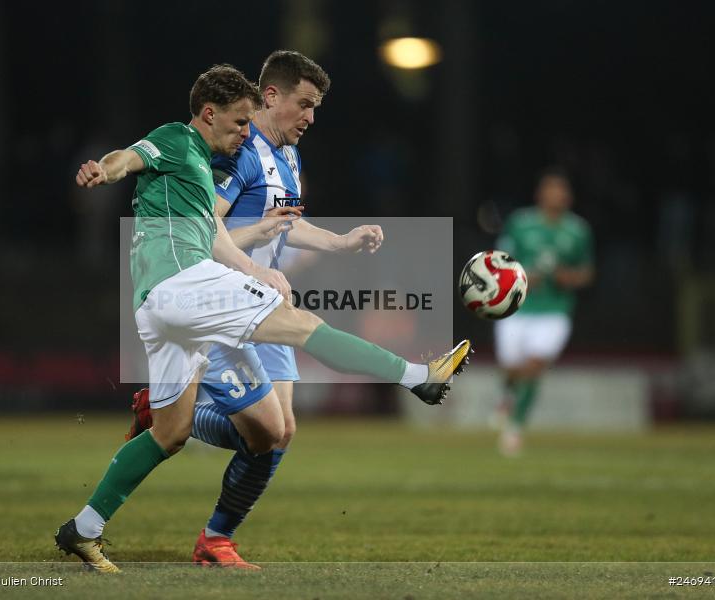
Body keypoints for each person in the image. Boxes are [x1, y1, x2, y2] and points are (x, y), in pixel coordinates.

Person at [54, 64, 471, 573]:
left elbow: (219, 232)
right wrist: (104, 169)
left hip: (157, 305)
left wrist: (308, 249)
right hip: (185, 284)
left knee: (175, 431)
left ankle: (83, 528)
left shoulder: (212, 168)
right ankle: (420, 378)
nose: (246, 134)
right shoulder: (178, 140)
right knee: (301, 325)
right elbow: (130, 157)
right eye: (238, 123)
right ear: (209, 114)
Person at [124, 50, 389, 569]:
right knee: (267, 431)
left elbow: (286, 224)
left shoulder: (286, 155)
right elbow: (206, 223)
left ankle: (210, 528)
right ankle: (216, 539)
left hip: (266, 305)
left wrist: (342, 241)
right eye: (305, 104)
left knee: (279, 432)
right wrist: (252, 270)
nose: (312, 117)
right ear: (271, 96)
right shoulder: (238, 153)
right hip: (226, 304)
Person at [494, 167, 594, 455]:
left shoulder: (578, 230)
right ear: (540, 194)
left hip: (555, 309)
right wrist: (521, 275)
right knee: (512, 369)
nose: (556, 196)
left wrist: (570, 278)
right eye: (551, 190)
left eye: (561, 191)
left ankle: (514, 427)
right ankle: (509, 394)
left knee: (535, 366)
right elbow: (501, 262)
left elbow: (587, 272)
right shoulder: (520, 223)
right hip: (517, 308)